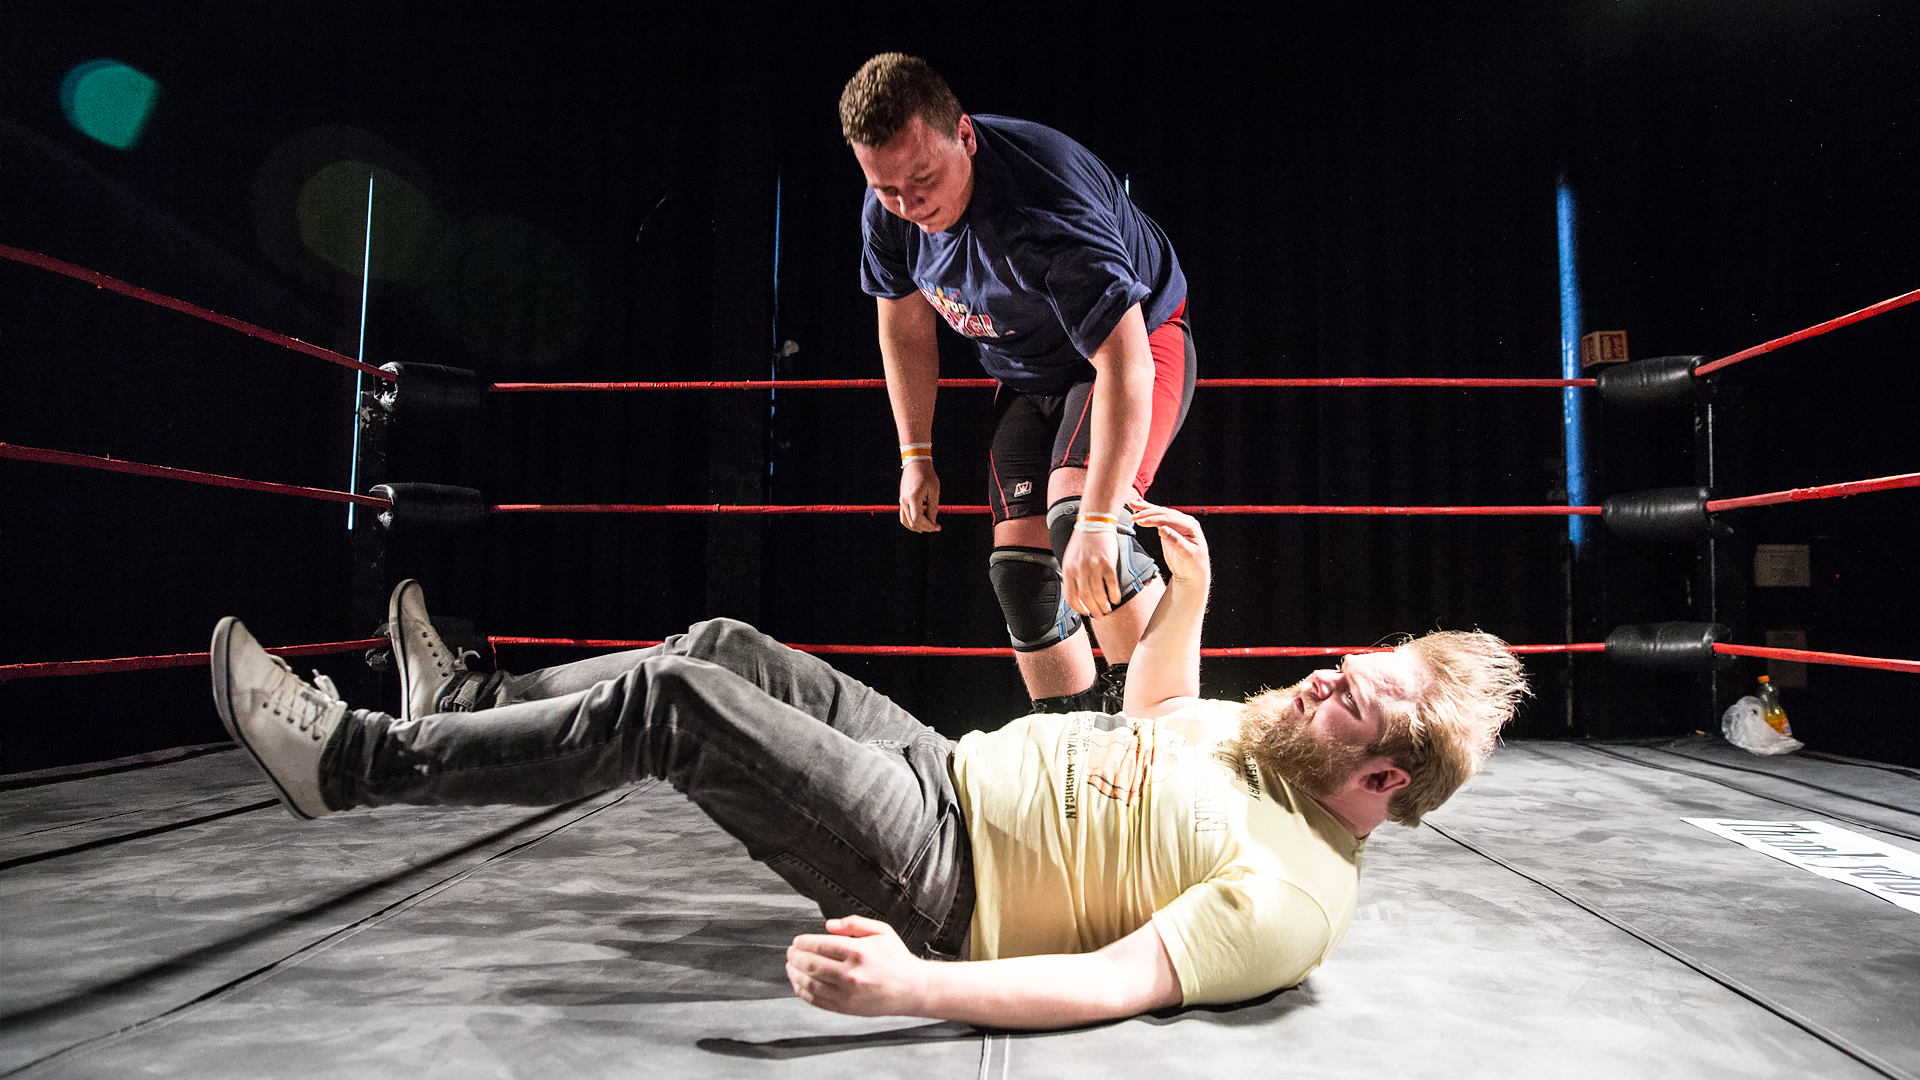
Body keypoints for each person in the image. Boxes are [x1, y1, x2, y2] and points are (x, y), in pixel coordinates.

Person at [209, 504, 1527, 1029]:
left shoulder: (1296, 896)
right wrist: (1192, 594)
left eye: (1358, 696)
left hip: (945, 873)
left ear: (1390, 783)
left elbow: (1118, 980)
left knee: (681, 701)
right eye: (1348, 664)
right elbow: (1165, 715)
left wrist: (920, 984)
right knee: (724, 641)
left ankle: (352, 761)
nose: (1326, 677)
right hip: (944, 769)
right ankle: (465, 698)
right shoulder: (1273, 748)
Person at [842, 53, 1196, 714]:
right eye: (886, 188)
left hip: (1134, 347)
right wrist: (914, 455)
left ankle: (1169, 742)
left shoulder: (1047, 201)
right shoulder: (887, 208)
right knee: (1021, 578)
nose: (909, 205)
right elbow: (907, 330)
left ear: (966, 137)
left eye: (922, 179)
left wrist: (1096, 517)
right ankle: (1069, 753)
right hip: (1030, 375)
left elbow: (1125, 366)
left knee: (1087, 530)